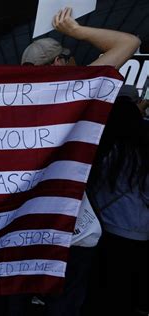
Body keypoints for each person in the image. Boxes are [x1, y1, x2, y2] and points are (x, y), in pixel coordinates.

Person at [19, 7, 141, 316]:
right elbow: (128, 43)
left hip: (54, 236)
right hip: (49, 236)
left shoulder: (67, 95)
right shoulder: (47, 98)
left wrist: (76, 33)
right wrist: (77, 33)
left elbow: (128, 44)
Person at [85, 87, 148, 316]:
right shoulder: (141, 153)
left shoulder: (101, 150)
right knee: (127, 294)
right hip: (136, 232)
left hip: (102, 230)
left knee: (101, 290)